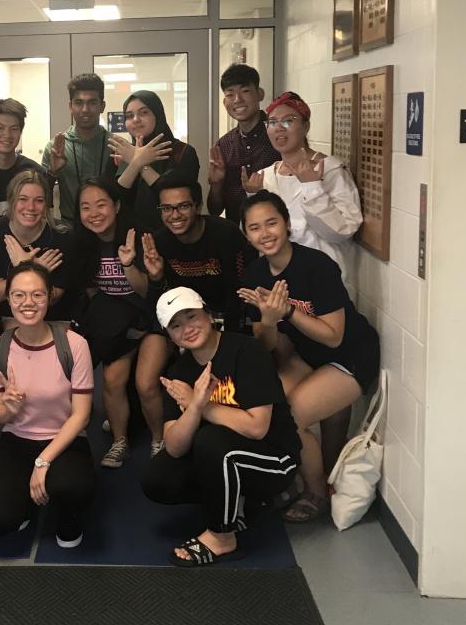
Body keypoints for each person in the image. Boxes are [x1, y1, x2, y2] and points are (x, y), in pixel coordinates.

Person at [239, 191, 380, 523]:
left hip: (351, 355)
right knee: (272, 407)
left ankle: (315, 493)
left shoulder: (317, 266)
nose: (265, 234)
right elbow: (266, 343)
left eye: (271, 223)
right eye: (255, 228)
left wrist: (288, 311)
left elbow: (334, 336)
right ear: (246, 234)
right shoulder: (255, 275)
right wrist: (269, 321)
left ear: (287, 224)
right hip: (308, 355)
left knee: (293, 414)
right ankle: (302, 477)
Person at [140, 287, 300, 566]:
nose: (187, 329)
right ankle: (237, 502)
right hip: (225, 455)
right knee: (158, 477)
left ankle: (222, 537)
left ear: (208, 314)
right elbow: (174, 447)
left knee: (211, 440)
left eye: (191, 316)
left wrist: (203, 405)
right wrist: (193, 408)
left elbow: (257, 428)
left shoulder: (247, 351)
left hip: (275, 458)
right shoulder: (180, 371)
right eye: (176, 325)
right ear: (169, 335)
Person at [136, 171, 254, 454]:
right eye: (167, 208)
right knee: (145, 381)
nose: (174, 215)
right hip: (176, 321)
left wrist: (227, 345)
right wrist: (155, 277)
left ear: (198, 205)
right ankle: (160, 440)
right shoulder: (160, 241)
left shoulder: (225, 234)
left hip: (222, 320)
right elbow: (158, 302)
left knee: (227, 381)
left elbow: (239, 292)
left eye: (183, 206)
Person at [0, 261, 96, 547]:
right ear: (8, 300)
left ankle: (68, 515)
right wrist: (9, 408)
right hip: (17, 439)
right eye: (19, 295)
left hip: (64, 439)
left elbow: (81, 416)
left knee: (70, 487)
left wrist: (42, 461)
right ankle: (26, 501)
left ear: (49, 297)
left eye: (37, 295)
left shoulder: (74, 345)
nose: (28, 302)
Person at [241, 91, 362, 279]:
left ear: (306, 126)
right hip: (278, 280)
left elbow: (343, 231)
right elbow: (256, 233)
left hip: (322, 279)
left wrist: (312, 187)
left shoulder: (330, 170)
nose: (279, 128)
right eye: (272, 122)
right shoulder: (265, 176)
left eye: (288, 121)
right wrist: (254, 197)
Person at [74, 177, 151, 468]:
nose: (94, 213)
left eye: (101, 205)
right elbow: (89, 291)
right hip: (112, 323)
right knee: (98, 374)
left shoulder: (138, 237)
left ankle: (144, 439)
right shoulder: (84, 243)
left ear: (117, 206)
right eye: (85, 207)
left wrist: (128, 263)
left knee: (130, 380)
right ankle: (116, 439)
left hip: (145, 319)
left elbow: (147, 291)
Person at [0, 169, 75, 336]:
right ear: (11, 201)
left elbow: (53, 298)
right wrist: (30, 267)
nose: (30, 207)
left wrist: (23, 267)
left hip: (53, 319)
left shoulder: (63, 236)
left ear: (46, 204)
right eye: (23, 199)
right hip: (8, 318)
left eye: (39, 200)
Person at [108, 89, 200, 233]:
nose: (136, 119)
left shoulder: (182, 152)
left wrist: (137, 161)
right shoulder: (122, 153)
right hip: (132, 236)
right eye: (129, 115)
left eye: (144, 112)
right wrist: (135, 161)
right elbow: (116, 199)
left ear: (158, 114)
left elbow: (173, 198)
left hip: (174, 233)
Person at [206, 64, 275, 223]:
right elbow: (215, 210)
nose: (237, 99)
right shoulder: (224, 144)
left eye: (245, 91)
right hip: (236, 235)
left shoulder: (278, 135)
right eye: (230, 94)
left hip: (276, 232)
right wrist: (216, 184)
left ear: (260, 94)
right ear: (224, 102)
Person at [41, 73, 113, 222]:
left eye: (92, 103)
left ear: (102, 106)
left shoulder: (116, 146)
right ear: (70, 106)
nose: (85, 109)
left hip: (108, 226)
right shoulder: (56, 148)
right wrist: (53, 173)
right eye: (79, 103)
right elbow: (42, 198)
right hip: (70, 226)